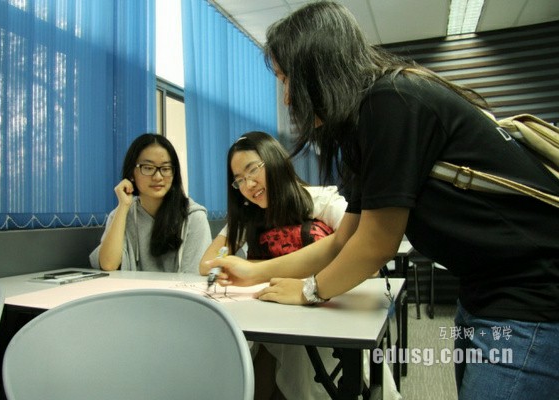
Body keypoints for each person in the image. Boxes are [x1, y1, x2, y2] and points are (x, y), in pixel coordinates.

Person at [204, 2, 559, 400]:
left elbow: (376, 244)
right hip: (486, 290)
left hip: (533, 293)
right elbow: (343, 240)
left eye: (287, 79)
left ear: (316, 69)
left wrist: (309, 291)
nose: (287, 98)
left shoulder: (389, 101)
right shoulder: (364, 122)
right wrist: (254, 273)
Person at [200, 131, 353, 400]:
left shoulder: (321, 200)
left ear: (275, 161)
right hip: (270, 313)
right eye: (239, 180)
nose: (248, 184)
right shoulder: (250, 216)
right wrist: (233, 265)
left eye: (252, 170)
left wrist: (255, 269)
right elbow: (207, 264)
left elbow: (356, 249)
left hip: (323, 310)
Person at [90, 133, 211, 273]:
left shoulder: (194, 217)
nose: (158, 177)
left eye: (165, 169)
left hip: (178, 288)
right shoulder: (122, 215)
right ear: (131, 173)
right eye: (148, 168)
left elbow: (193, 277)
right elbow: (108, 264)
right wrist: (123, 206)